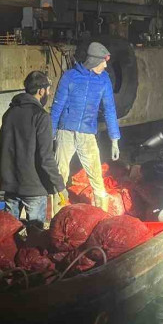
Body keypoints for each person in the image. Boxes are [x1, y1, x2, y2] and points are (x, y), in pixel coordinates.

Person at [50, 41, 121, 212]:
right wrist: (51, 133)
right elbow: (57, 105)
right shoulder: (70, 76)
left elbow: (110, 109)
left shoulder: (104, 80)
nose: (105, 65)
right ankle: (55, 214)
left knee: (96, 175)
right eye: (103, 61)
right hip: (65, 131)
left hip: (87, 133)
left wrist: (115, 140)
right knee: (60, 173)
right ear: (94, 61)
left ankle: (102, 215)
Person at [0, 71, 68, 228]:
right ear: (41, 91)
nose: (48, 93)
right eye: (47, 90)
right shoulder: (41, 116)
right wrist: (60, 186)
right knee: (35, 234)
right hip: (34, 187)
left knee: (9, 232)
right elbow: (45, 157)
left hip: (10, 185)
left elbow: (1, 148)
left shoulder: (9, 114)